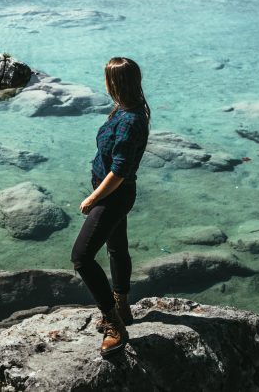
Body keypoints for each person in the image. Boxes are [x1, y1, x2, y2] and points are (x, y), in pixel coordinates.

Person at [71, 57, 150, 357]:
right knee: (116, 248)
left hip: (113, 194)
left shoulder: (130, 119)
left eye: (106, 78)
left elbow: (118, 171)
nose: (103, 82)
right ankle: (122, 306)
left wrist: (92, 199)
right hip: (112, 192)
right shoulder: (125, 108)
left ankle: (115, 324)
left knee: (81, 257)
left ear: (115, 82)